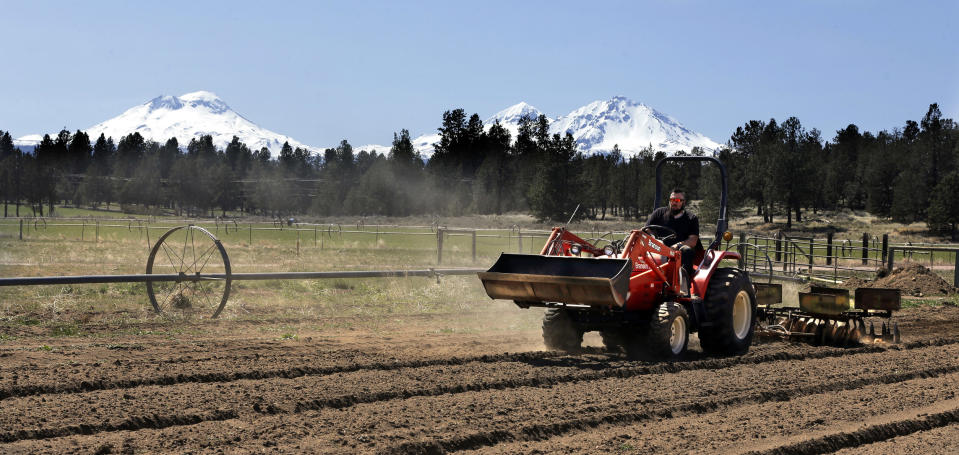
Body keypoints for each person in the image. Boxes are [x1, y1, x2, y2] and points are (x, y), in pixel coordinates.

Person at [645, 188, 700, 280]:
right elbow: (647, 229)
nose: (674, 203)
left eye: (678, 200)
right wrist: (654, 239)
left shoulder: (691, 218)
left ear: (683, 202)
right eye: (672, 200)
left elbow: (693, 240)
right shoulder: (659, 213)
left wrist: (677, 245)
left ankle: (682, 282)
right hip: (658, 247)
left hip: (678, 251)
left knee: (687, 251)